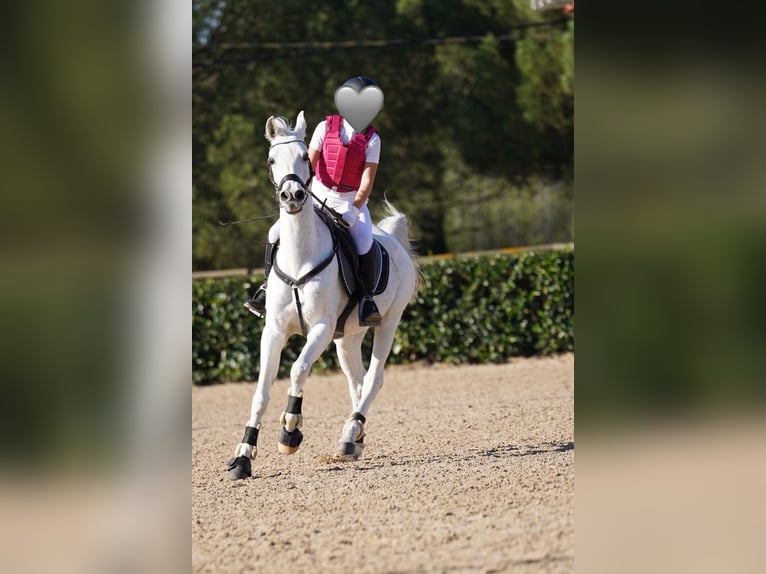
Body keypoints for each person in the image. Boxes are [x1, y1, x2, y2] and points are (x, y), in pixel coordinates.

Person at [245, 76, 383, 326]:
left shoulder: (373, 139)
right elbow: (307, 164)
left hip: (349, 200)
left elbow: (367, 182)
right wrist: (301, 192)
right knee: (275, 232)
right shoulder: (324, 128)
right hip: (317, 193)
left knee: (364, 242)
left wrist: (354, 209)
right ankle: (266, 290)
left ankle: (366, 299)